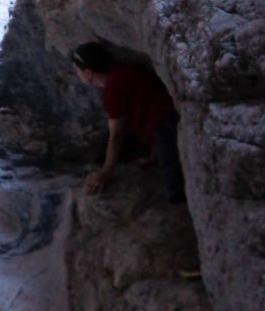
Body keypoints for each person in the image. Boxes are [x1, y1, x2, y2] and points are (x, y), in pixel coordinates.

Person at [72, 42, 185, 202]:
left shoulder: (114, 87)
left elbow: (116, 134)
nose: (77, 73)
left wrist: (106, 171)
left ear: (88, 72)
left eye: (77, 69)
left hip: (166, 125)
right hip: (165, 123)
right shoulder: (123, 73)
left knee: (175, 188)